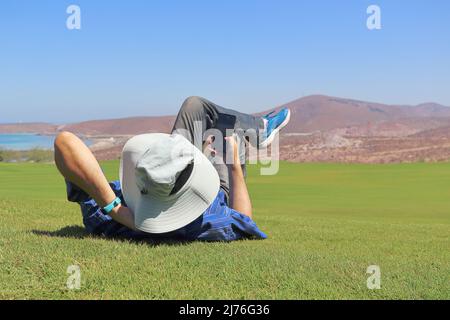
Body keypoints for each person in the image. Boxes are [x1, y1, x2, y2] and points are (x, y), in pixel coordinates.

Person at [54, 96, 291, 242]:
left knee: (198, 110)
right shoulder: (208, 220)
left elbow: (64, 142)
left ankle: (256, 131)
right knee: (218, 121)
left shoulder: (105, 220)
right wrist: (234, 166)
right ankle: (258, 130)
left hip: (182, 171)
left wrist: (119, 212)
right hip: (217, 190)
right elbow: (244, 219)